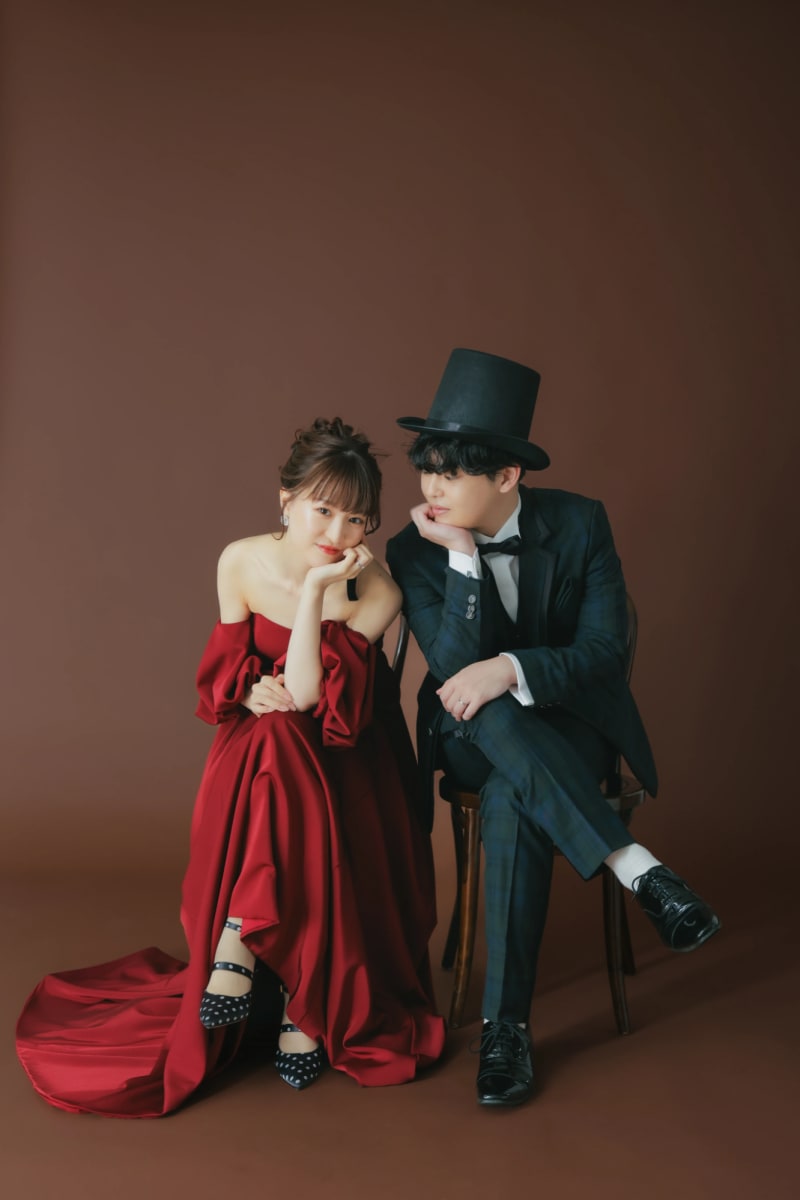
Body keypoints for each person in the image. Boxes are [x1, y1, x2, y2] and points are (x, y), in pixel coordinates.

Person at [16, 417, 445, 1117]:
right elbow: (226, 674)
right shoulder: (240, 561)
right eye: (323, 509)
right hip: (260, 750)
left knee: (285, 735)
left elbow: (309, 697)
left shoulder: (378, 592)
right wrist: (246, 690)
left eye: (356, 518)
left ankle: (240, 940)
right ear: (285, 500)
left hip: (350, 760)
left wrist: (316, 592)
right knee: (274, 737)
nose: (338, 531)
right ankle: (301, 1003)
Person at [386, 349, 720, 1110]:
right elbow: (452, 671)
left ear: (507, 475)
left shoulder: (578, 522)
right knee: (481, 711)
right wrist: (462, 561)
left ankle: (505, 1029)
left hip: (572, 730)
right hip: (471, 736)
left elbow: (604, 650)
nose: (432, 488)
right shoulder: (414, 550)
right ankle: (641, 871)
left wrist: (511, 668)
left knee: (515, 794)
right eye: (427, 468)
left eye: (453, 472)